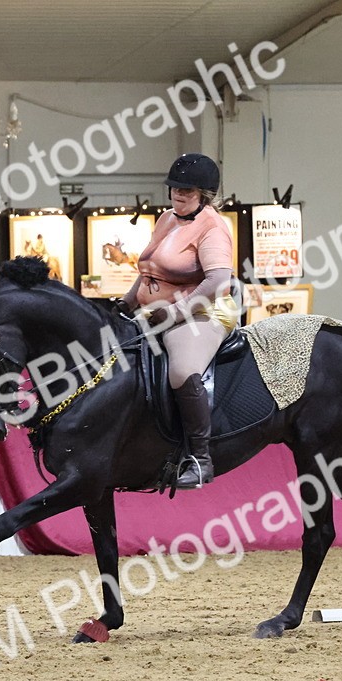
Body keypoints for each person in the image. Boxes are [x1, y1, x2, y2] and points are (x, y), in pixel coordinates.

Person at [115, 153, 236, 489]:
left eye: (187, 191)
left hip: (201, 313)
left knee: (182, 370)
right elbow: (149, 270)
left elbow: (217, 283)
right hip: (155, 312)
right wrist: (125, 303)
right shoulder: (166, 218)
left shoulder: (212, 228)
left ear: (205, 194)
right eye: (175, 189)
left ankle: (201, 459)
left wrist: (175, 312)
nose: (178, 195)